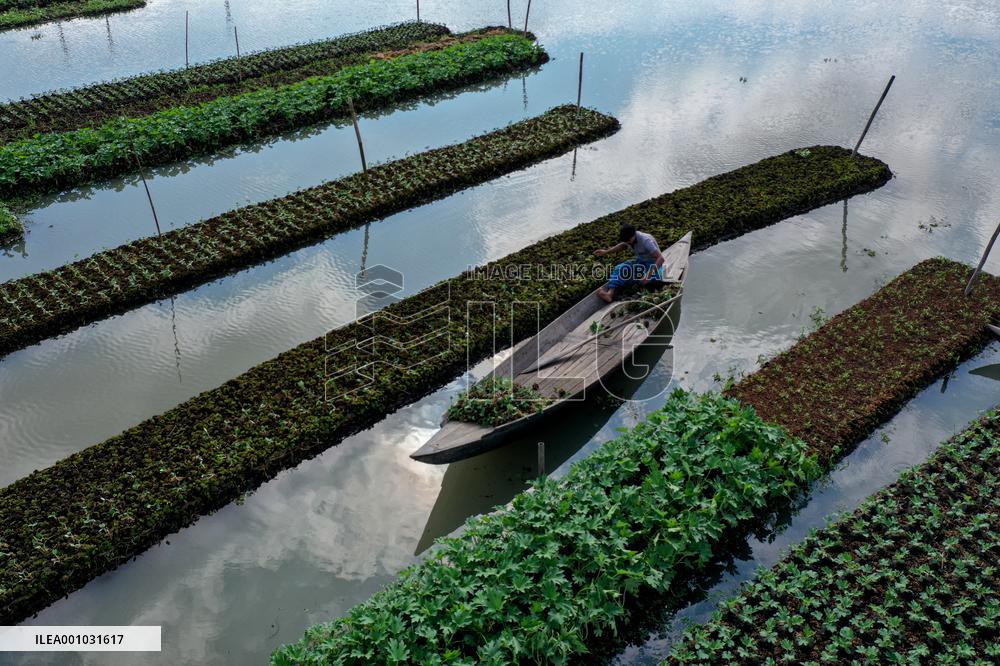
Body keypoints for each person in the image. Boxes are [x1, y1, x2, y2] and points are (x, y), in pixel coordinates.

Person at [593, 224, 665, 303]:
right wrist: (606, 252)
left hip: (653, 265)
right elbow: (623, 245)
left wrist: (648, 275)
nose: (628, 243)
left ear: (633, 235)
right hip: (641, 262)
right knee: (620, 268)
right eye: (626, 241)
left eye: (628, 241)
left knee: (650, 281)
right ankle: (609, 294)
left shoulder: (646, 241)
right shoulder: (629, 239)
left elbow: (660, 258)